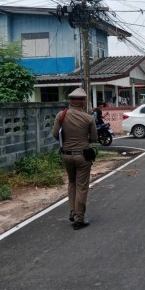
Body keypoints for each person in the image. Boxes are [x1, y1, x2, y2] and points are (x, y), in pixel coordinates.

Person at [52, 88, 98, 230]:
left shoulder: (61, 115)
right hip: (82, 156)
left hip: (66, 155)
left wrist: (67, 141)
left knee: (72, 182)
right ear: (83, 102)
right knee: (81, 186)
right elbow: (94, 138)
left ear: (70, 102)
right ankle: (79, 218)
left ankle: (72, 210)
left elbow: (55, 134)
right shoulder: (88, 118)